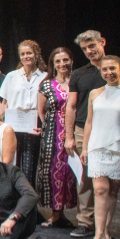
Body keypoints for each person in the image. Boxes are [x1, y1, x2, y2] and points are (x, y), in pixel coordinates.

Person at [64, 30, 120, 239]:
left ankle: (103, 227)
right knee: (86, 177)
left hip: (113, 132)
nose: (89, 51)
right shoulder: (78, 74)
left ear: (102, 42)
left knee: (110, 182)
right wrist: (69, 136)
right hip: (82, 129)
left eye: (92, 46)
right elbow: (71, 106)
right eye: (85, 49)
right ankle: (85, 222)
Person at [79, 56, 120, 239]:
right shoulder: (95, 93)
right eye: (105, 70)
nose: (109, 72)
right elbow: (89, 122)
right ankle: (97, 235)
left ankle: (106, 233)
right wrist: (85, 148)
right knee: (99, 190)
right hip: (98, 146)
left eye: (112, 68)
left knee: (113, 190)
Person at [36, 47, 77, 227]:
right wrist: (49, 129)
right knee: (54, 172)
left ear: (71, 61)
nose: (62, 64)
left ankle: (67, 213)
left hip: (75, 133)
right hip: (53, 134)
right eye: (58, 61)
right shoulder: (46, 84)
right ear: (53, 64)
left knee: (71, 173)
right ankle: (55, 212)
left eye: (65, 60)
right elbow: (41, 112)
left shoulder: (77, 81)